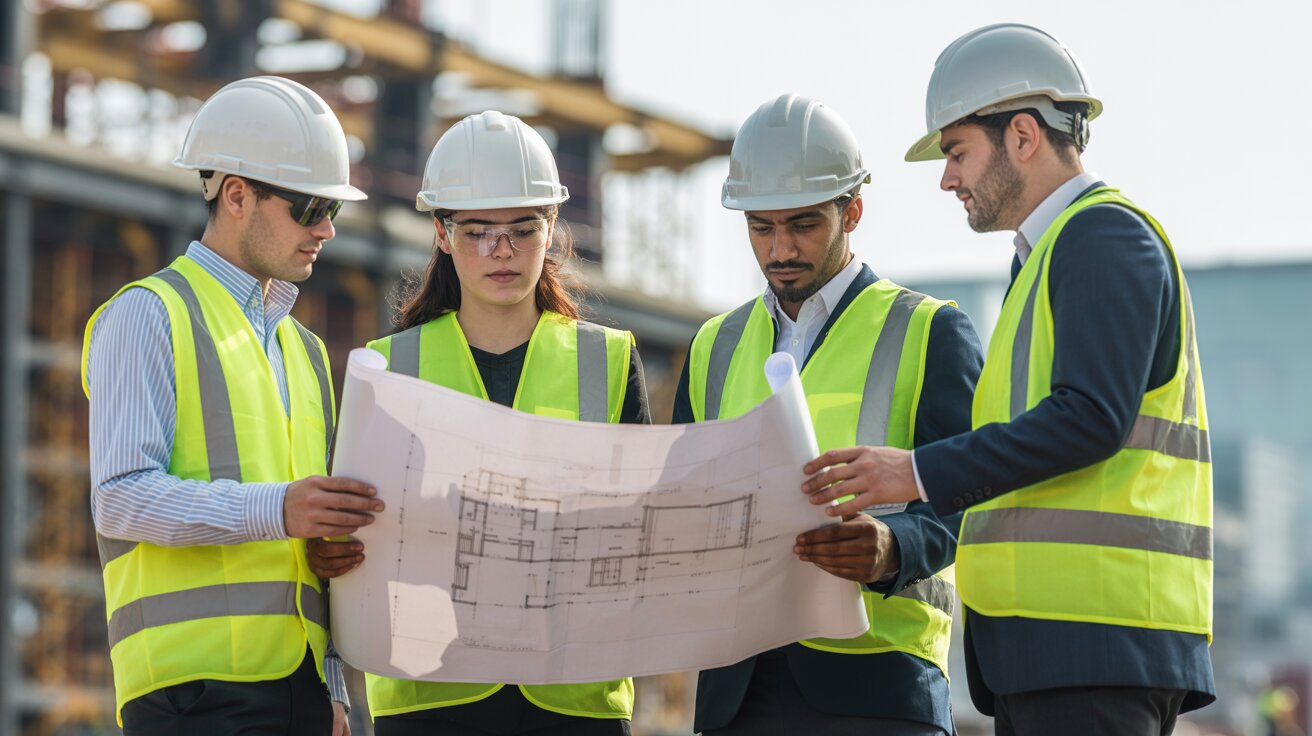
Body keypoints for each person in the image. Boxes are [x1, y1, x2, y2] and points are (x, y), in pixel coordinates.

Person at [801, 24, 1215, 735]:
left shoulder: (1103, 238)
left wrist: (918, 472)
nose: (947, 177)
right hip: (1058, 650)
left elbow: (1089, 418)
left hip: (1095, 639)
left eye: (958, 151)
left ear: (1023, 136)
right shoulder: (1050, 256)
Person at [307, 110, 650, 736]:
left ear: (552, 227)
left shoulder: (609, 360)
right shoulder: (387, 369)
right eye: (478, 232)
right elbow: (346, 538)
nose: (503, 251)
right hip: (432, 700)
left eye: (522, 229)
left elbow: (642, 531)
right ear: (442, 233)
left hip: (571, 701)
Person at [672, 93, 983, 735]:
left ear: (854, 210)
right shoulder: (712, 346)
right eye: (762, 227)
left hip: (879, 686)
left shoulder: (929, 332)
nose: (781, 247)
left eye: (804, 224)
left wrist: (894, 546)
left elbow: (973, 494)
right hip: (737, 687)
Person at [82, 76, 381, 735]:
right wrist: (278, 509)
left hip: (299, 695)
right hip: (192, 697)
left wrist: (332, 688)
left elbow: (306, 544)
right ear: (238, 195)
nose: (327, 229)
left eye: (333, 208)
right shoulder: (149, 314)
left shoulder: (303, 352)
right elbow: (121, 497)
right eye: (308, 207)